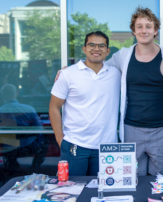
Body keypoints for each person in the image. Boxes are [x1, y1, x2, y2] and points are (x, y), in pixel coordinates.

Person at [56, 7, 163, 176]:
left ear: (155, 31)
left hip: (162, 130)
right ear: (133, 31)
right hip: (131, 129)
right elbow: (99, 66)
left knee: (161, 180)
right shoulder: (123, 56)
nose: (144, 30)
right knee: (131, 179)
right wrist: (70, 71)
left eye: (148, 26)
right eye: (139, 26)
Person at [49, 31, 120, 176]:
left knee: (102, 194)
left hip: (107, 147)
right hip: (75, 146)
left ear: (107, 51)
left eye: (101, 46)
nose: (96, 49)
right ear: (84, 49)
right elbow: (54, 107)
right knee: (73, 191)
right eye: (91, 45)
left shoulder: (117, 73)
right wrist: (60, 139)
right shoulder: (68, 74)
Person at [0, 84, 46, 173]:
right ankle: (35, 168)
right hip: (29, 148)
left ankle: (11, 165)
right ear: (17, 93)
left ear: (2, 96)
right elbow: (39, 130)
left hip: (8, 150)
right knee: (44, 140)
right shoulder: (28, 109)